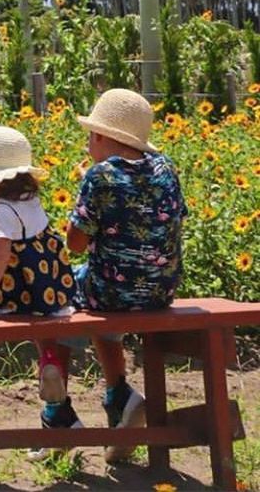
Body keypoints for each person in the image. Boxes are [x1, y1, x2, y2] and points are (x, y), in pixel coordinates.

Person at [67, 88, 187, 462]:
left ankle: (96, 398)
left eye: (90, 136)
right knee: (106, 283)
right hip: (162, 288)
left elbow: (75, 243)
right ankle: (118, 400)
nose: (88, 144)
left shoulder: (99, 176)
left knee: (68, 287)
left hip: (112, 290)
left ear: (103, 137)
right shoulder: (166, 168)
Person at [0, 126, 80, 436]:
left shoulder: (0, 214)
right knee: (42, 317)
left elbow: (0, 254)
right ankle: (49, 358)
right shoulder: (29, 200)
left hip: (10, 291)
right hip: (44, 290)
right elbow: (5, 219)